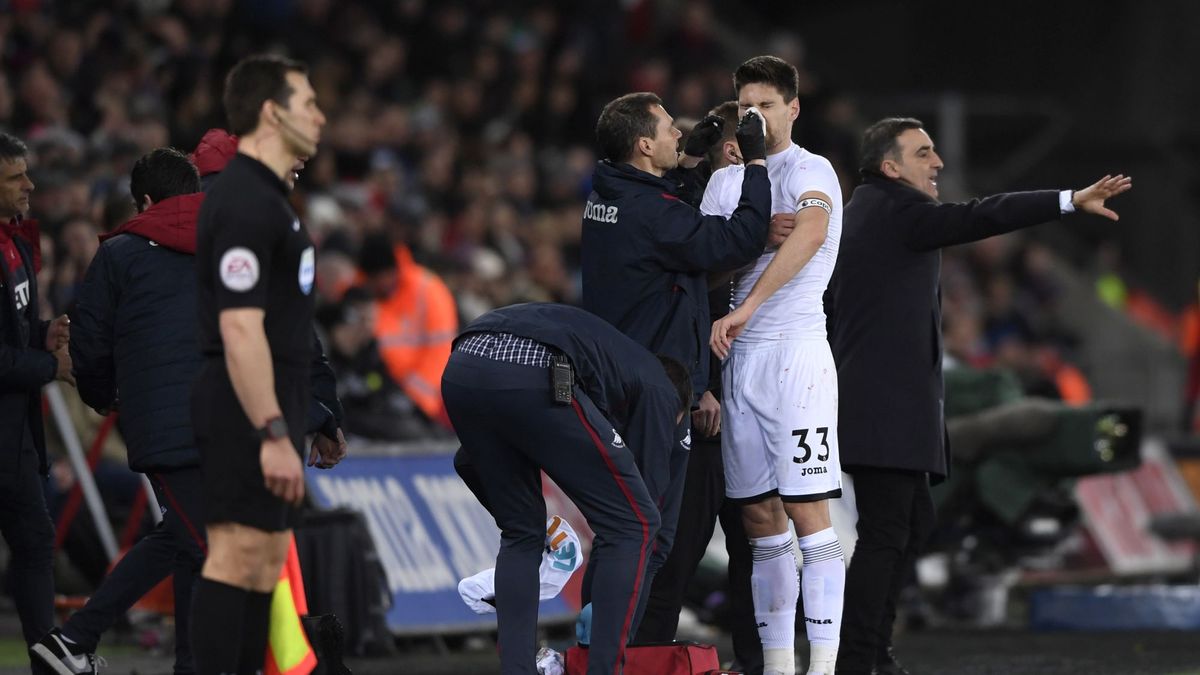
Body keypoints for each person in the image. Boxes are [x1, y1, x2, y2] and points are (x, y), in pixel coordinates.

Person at [825, 116, 1131, 675]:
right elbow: (981, 215)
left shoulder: (868, 212)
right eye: (924, 153)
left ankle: (869, 654)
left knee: (907, 526)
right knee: (887, 534)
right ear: (891, 167)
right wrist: (1066, 200)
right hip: (884, 408)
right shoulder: (897, 211)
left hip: (883, 405)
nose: (938, 163)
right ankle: (857, 660)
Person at [579, 90, 771, 629]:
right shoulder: (649, 214)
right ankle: (608, 658)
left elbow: (665, 218)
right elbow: (734, 240)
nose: (678, 134)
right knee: (643, 534)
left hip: (628, 378)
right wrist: (755, 165)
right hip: (651, 389)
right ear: (643, 144)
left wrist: (688, 165)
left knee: (631, 532)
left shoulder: (611, 195)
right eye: (669, 130)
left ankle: (601, 650)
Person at [442, 302, 693, 675]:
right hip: (533, 363)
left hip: (462, 364)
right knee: (633, 524)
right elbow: (645, 521)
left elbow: (467, 462)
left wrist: (538, 530)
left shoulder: (611, 366)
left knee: (519, 533)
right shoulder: (659, 388)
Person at [705, 55, 846, 675]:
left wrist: (749, 305)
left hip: (795, 355)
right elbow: (702, 266)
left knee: (810, 514)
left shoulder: (813, 170)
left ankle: (824, 667)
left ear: (792, 108)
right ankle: (780, 667)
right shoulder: (724, 184)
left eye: (766, 104)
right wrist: (751, 239)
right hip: (741, 362)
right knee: (760, 518)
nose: (755, 116)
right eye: (746, 106)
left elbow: (812, 232)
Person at [190, 54, 328, 675]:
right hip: (244, 407)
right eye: (307, 103)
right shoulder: (244, 201)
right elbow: (239, 325)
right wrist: (273, 431)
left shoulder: (271, 198)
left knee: (263, 558)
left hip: (271, 404)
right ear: (271, 113)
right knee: (234, 554)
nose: (321, 115)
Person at [634, 100, 764, 674]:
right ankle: (647, 661)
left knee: (758, 552)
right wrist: (703, 387)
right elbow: (691, 286)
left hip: (757, 405)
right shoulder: (686, 210)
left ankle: (761, 664)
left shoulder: (775, 208)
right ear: (732, 150)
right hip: (704, 412)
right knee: (676, 553)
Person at [0, 131, 72, 672]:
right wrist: (53, 367)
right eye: (14, 176)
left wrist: (43, 333)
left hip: (14, 430)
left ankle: (46, 659)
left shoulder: (16, 242)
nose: (29, 184)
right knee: (32, 538)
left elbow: (13, 334)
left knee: (34, 537)